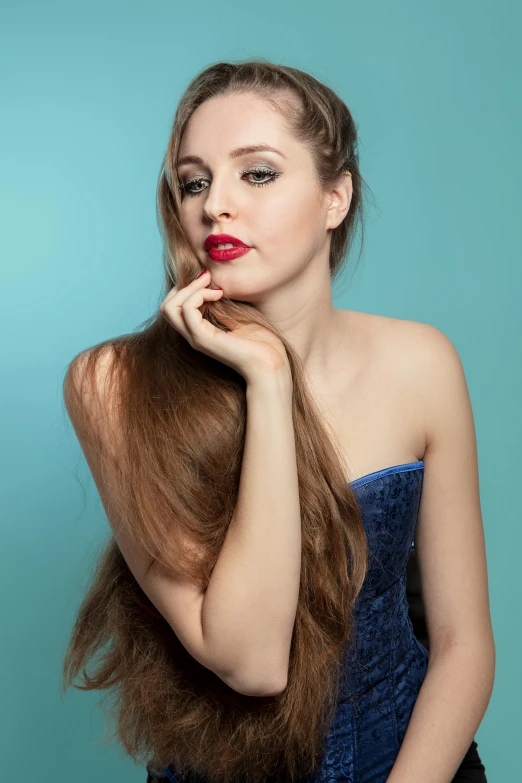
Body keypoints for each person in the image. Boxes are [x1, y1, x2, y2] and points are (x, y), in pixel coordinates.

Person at [62, 59, 495, 783]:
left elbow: (463, 645)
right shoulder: (113, 384)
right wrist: (268, 379)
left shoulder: (421, 362)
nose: (214, 206)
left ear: (335, 197)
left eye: (256, 174)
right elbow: (253, 660)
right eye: (195, 181)